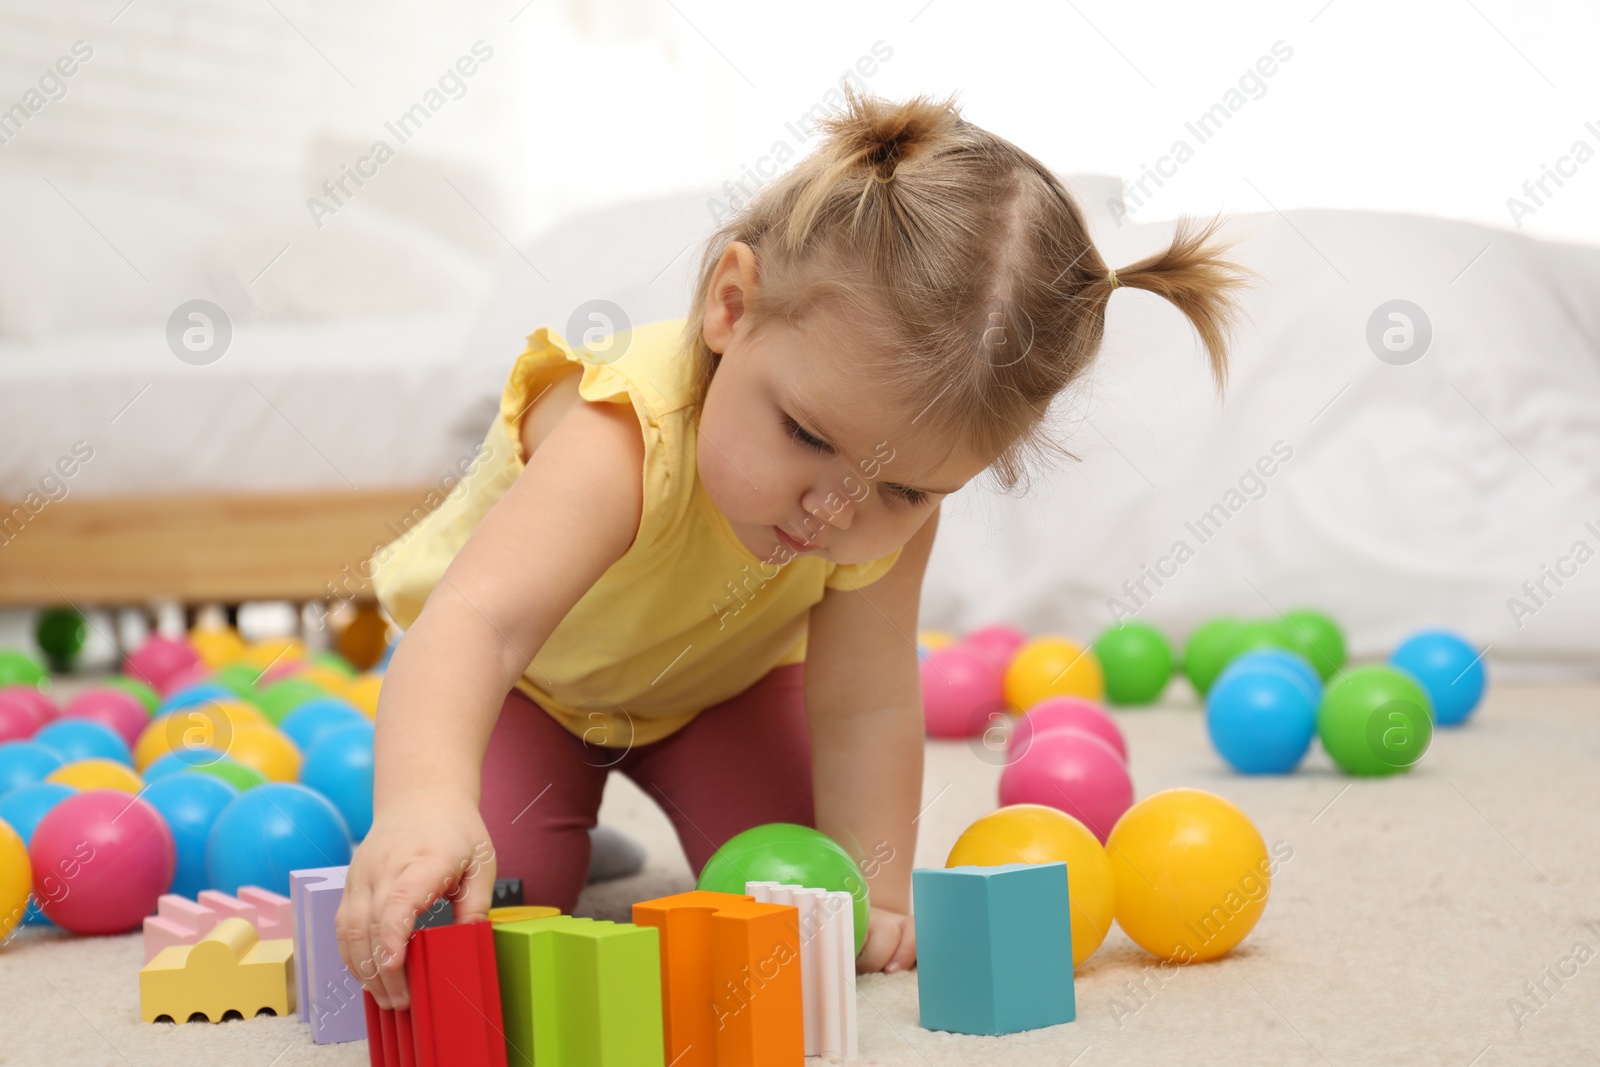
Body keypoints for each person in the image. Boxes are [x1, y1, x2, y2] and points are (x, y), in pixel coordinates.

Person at [336, 84, 1250, 1010]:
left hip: (715, 696)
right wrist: (421, 800)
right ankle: (554, 816)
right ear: (732, 306)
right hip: (525, 690)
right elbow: (479, 625)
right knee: (485, 912)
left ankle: (588, 816)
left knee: (807, 906)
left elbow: (866, 701)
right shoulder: (625, 437)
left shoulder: (888, 515)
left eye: (901, 489)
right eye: (809, 437)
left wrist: (878, 884)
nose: (836, 511)